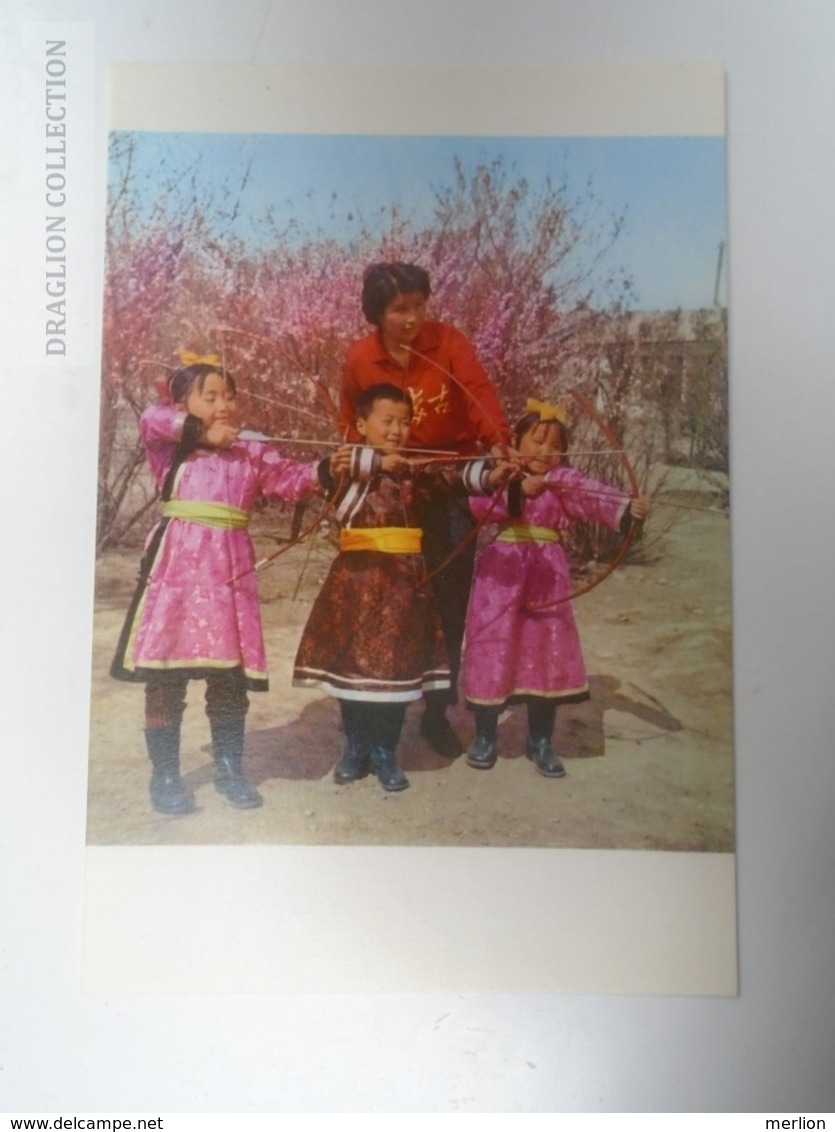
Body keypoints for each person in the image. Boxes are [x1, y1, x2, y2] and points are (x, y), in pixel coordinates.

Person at [111, 356, 331, 815]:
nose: (224, 405)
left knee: (229, 678)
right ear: (184, 403)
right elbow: (151, 418)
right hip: (177, 573)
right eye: (209, 396)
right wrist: (201, 432)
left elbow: (289, 479)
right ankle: (166, 774)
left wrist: (328, 470)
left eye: (229, 395)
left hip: (229, 573)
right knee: (166, 677)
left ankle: (231, 768)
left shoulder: (251, 449)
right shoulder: (172, 446)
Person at [294, 383, 511, 793]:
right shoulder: (348, 467)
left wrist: (489, 473)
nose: (397, 430)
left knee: (396, 672)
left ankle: (385, 750)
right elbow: (332, 473)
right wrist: (371, 461)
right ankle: (356, 746)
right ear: (361, 424)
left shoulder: (414, 471)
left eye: (405, 422)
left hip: (403, 586)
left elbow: (450, 477)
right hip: (355, 583)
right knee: (352, 672)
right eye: (387, 421)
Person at [339, 262, 512, 758]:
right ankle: (364, 710)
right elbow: (349, 425)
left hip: (447, 486)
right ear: (377, 313)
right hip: (388, 493)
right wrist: (370, 463)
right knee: (378, 602)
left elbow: (478, 395)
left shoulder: (449, 343)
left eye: (419, 305)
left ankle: (436, 712)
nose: (413, 318)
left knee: (446, 600)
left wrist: (497, 443)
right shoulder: (360, 358)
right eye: (399, 310)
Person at [462, 398, 651, 777]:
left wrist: (629, 510)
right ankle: (485, 735)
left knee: (544, 649)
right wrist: (519, 489)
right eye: (537, 440)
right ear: (515, 442)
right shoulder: (500, 474)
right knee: (493, 646)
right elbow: (480, 506)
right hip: (502, 572)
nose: (547, 451)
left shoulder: (565, 480)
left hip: (548, 574)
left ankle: (540, 740)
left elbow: (595, 496)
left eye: (556, 445)